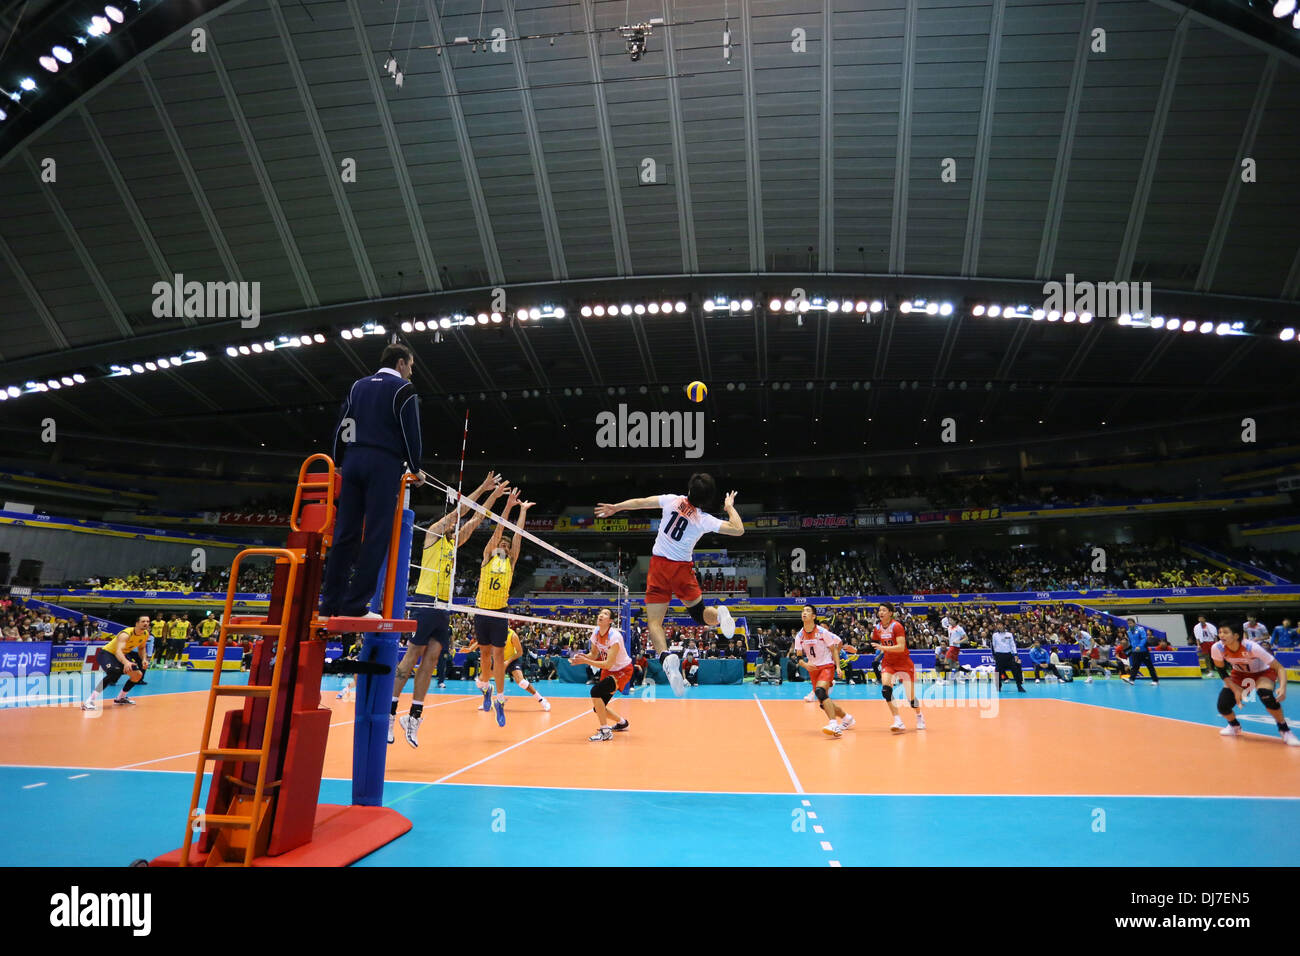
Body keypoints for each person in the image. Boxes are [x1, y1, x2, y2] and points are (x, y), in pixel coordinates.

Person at [595, 474, 744, 697]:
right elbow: (738, 529)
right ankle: (720, 615)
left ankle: (665, 656)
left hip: (659, 567)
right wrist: (729, 507)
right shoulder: (704, 519)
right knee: (699, 614)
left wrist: (616, 507)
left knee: (655, 622)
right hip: (682, 569)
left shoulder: (671, 500)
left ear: (689, 488)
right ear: (707, 499)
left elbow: (640, 502)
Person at [391, 471, 507, 746]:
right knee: (410, 660)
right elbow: (461, 512)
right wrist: (482, 487)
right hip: (425, 601)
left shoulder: (453, 545)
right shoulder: (432, 535)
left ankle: (414, 717)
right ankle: (390, 713)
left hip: (443, 608)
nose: (454, 526)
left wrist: (493, 496)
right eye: (450, 523)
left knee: (431, 659)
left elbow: (477, 519)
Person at [319, 342, 425, 619]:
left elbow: (342, 424)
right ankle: (354, 606)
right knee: (376, 534)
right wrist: (416, 467)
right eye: (410, 367)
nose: (411, 373)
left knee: (344, 535)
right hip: (383, 463)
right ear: (401, 363)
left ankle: (328, 605)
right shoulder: (404, 389)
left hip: (353, 461)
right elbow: (409, 430)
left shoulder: (358, 386)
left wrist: (338, 460)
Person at [473, 487, 533, 727]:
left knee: (498, 655)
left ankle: (499, 699)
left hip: (499, 612)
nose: (504, 547)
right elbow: (500, 529)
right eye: (502, 544)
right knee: (484, 655)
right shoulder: (488, 556)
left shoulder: (511, 561)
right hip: (481, 610)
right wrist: (507, 506)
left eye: (507, 547)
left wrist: (522, 511)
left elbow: (517, 533)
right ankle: (486, 690)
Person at [1211, 622, 1298, 746]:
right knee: (1223, 706)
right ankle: (1234, 726)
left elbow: (1279, 668)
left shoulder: (1251, 647)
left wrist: (1283, 688)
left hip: (1263, 673)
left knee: (1265, 694)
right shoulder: (1217, 648)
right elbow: (1221, 671)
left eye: (1225, 632)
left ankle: (1285, 730)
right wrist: (1235, 689)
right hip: (1240, 674)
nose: (1221, 635)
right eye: (1220, 632)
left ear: (1236, 636)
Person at [571, 608, 633, 742]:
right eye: (600, 613)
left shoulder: (614, 637)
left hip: (622, 670)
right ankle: (622, 723)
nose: (601, 615)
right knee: (598, 708)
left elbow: (608, 664)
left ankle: (605, 732)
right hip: (609, 670)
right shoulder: (596, 632)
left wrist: (586, 661)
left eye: (605, 614)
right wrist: (582, 657)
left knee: (595, 691)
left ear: (610, 621)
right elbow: (594, 654)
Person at [792, 605, 854, 737]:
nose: (804, 613)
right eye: (803, 611)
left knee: (820, 691)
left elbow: (834, 650)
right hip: (813, 669)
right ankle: (847, 718)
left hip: (826, 666)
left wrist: (837, 667)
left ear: (813, 616)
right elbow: (798, 657)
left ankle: (834, 725)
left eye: (807, 611)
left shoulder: (822, 632)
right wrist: (805, 664)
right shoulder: (799, 636)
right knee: (823, 702)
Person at [872, 603, 923, 732]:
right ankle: (898, 721)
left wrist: (883, 648)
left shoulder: (897, 626)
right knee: (886, 690)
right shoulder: (877, 628)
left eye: (884, 610)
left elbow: (900, 647)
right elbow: (872, 644)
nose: (881, 612)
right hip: (888, 663)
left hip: (904, 663)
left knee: (910, 698)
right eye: (879, 610)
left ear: (890, 613)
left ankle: (919, 716)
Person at [82, 616, 150, 712]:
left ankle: (120, 698)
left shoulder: (145, 634)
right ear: (137, 623)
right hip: (108, 653)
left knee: (137, 675)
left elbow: (142, 648)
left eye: (148, 621)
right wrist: (126, 662)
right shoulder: (126, 634)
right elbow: (118, 651)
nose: (146, 623)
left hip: (123, 654)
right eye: (143, 621)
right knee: (113, 673)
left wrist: (144, 659)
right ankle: (89, 701)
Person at [1121, 618, 1159, 686]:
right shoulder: (1128, 631)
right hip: (1135, 651)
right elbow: (1131, 641)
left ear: (1134, 623)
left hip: (1143, 651)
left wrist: (1140, 646)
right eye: (1128, 623)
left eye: (1131, 623)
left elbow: (1144, 638)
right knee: (1135, 666)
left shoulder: (1140, 629)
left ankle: (1155, 680)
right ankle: (1131, 680)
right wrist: (1131, 649)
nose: (1129, 624)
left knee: (1149, 666)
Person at [991, 624, 1025, 693]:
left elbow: (1012, 645)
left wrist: (1015, 654)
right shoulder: (995, 635)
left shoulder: (1009, 635)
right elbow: (993, 645)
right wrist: (994, 655)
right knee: (998, 671)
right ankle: (998, 686)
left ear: (1004, 626)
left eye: (1001, 625)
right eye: (998, 626)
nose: (999, 627)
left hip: (1008, 655)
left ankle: (1019, 686)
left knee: (1015, 670)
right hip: (999, 655)